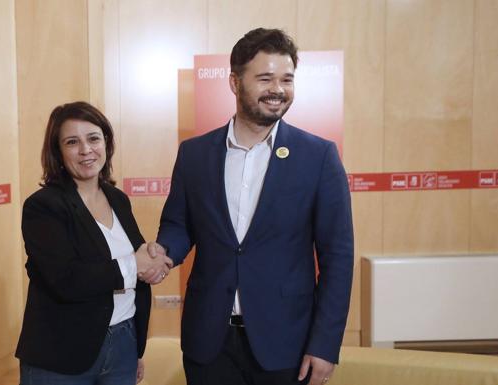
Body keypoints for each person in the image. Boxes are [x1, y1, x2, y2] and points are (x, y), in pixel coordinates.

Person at [151, 28, 354, 385]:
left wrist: (325, 344)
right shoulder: (194, 154)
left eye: (287, 79)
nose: (278, 89)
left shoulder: (318, 156)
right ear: (234, 82)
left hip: (286, 344)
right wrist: (164, 253)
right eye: (265, 78)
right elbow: (179, 224)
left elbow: (338, 257)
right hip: (208, 342)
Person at [16, 101, 173, 385]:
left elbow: (134, 261)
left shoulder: (118, 198)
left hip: (123, 342)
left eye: (93, 139)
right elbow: (66, 279)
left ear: (106, 143)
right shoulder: (43, 207)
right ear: (58, 152)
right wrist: (134, 265)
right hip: (62, 354)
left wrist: (152, 260)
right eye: (72, 142)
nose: (86, 150)